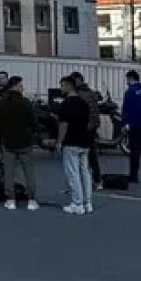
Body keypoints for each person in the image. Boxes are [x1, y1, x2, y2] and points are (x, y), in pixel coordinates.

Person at [0, 76, 37, 211]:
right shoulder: (25, 102)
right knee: (28, 171)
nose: (23, 88)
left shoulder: (0, 103)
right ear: (16, 86)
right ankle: (31, 200)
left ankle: (10, 199)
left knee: (9, 171)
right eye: (21, 85)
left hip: (8, 142)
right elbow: (33, 121)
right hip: (25, 142)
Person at [57, 75, 95, 215]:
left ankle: (77, 203)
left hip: (71, 141)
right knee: (85, 172)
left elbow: (63, 125)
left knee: (73, 173)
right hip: (84, 141)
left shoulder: (66, 104)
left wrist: (59, 141)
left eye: (62, 85)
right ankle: (88, 202)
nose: (61, 88)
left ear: (69, 86)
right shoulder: (83, 103)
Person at [70, 71, 104, 191]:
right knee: (92, 156)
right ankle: (97, 181)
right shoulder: (91, 92)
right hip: (91, 128)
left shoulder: (77, 94)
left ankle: (78, 184)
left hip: (81, 128)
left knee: (76, 157)